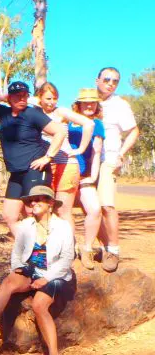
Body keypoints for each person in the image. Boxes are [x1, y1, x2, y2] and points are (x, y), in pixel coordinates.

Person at [0, 185, 74, 355]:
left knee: (40, 305)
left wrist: (46, 279)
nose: (33, 203)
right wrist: (19, 269)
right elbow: (17, 253)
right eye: (31, 200)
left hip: (55, 274)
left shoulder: (63, 227)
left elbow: (66, 259)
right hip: (32, 270)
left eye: (39, 199)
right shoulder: (26, 225)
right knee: (9, 281)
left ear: (50, 204)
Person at [0, 81, 67, 236]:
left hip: (35, 170)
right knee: (9, 216)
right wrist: (2, 96)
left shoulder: (32, 114)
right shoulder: (3, 113)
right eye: (18, 96)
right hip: (16, 173)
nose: (22, 98)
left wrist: (47, 157)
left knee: (35, 212)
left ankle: (45, 250)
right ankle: (28, 248)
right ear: (10, 98)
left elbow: (60, 132)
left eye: (25, 95)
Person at [95, 67, 139, 271]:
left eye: (115, 81)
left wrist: (121, 153)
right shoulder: (87, 101)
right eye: (107, 79)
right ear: (97, 80)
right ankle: (103, 248)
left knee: (106, 205)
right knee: (90, 208)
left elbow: (133, 131)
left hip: (108, 159)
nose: (111, 83)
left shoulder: (120, 105)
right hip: (87, 160)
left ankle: (113, 250)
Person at [34, 82, 94, 227]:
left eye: (55, 98)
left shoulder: (60, 112)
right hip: (45, 166)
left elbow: (88, 124)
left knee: (62, 210)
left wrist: (80, 149)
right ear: (40, 97)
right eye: (48, 98)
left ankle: (69, 248)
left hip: (66, 164)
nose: (52, 102)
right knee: (46, 210)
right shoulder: (34, 112)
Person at [68, 88, 105, 270]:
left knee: (95, 210)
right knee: (62, 212)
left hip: (83, 175)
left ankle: (87, 248)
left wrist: (92, 177)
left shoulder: (97, 124)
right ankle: (69, 248)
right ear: (79, 104)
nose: (89, 105)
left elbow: (97, 152)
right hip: (65, 172)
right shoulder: (67, 121)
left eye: (93, 102)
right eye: (85, 102)